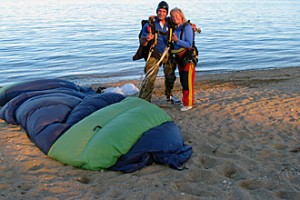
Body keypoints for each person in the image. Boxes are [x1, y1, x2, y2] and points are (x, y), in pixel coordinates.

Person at [137, 1, 178, 103]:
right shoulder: (150, 24)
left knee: (170, 76)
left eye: (164, 11)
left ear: (167, 13)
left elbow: (182, 23)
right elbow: (142, 41)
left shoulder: (170, 22)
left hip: (167, 53)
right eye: (160, 11)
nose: (161, 13)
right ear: (156, 11)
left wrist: (191, 26)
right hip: (153, 54)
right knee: (149, 79)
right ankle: (145, 101)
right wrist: (146, 39)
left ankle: (169, 96)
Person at [170, 7, 197, 111]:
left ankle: (188, 103)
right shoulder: (176, 28)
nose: (174, 18)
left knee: (187, 81)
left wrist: (177, 40)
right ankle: (186, 101)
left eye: (176, 16)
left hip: (188, 57)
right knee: (183, 80)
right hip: (179, 58)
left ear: (181, 16)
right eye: (172, 16)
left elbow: (189, 43)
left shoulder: (187, 28)